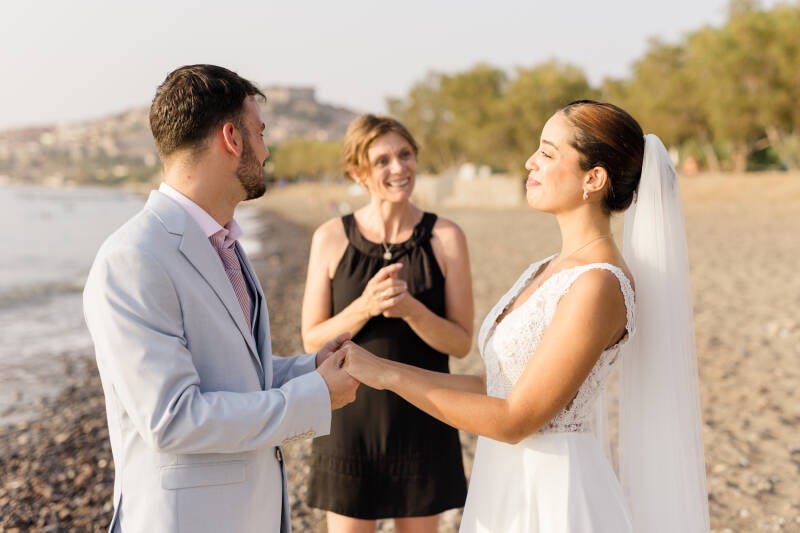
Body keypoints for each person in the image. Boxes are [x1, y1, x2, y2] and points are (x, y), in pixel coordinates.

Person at [340, 101, 711, 532]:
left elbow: (516, 419)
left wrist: (388, 377)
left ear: (593, 178)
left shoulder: (598, 285)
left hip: (555, 489)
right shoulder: (544, 268)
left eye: (548, 153)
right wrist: (376, 369)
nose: (530, 162)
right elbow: (493, 386)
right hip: (505, 479)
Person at [82, 64, 359, 533]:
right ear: (232, 138)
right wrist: (314, 395)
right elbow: (173, 418)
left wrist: (309, 367)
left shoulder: (224, 242)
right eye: (260, 132)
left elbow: (233, 372)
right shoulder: (132, 258)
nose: (267, 151)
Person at [301, 114, 474, 533]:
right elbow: (312, 341)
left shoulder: (446, 237)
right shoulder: (330, 237)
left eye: (405, 154)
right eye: (382, 160)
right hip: (348, 425)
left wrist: (411, 310)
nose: (399, 168)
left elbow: (461, 342)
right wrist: (365, 306)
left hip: (425, 420)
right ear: (358, 172)